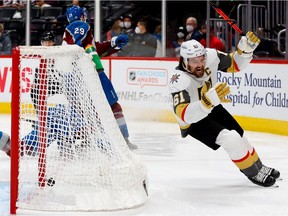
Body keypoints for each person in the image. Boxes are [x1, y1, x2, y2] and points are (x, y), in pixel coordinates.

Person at [168, 32, 280, 187]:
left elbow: (235, 64)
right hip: (194, 120)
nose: (200, 64)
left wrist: (246, 51)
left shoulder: (211, 56)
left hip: (212, 105)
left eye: (202, 58)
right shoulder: (178, 80)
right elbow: (183, 114)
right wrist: (205, 103)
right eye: (194, 61)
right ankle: (253, 173)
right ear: (184, 61)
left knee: (239, 135)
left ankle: (259, 166)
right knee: (231, 139)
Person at [62, 6, 137, 150]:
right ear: (81, 16)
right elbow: (77, 47)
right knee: (113, 107)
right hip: (91, 73)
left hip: (81, 74)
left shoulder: (72, 30)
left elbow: (94, 49)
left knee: (91, 110)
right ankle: (121, 140)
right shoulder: (79, 25)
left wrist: (113, 43)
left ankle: (91, 140)